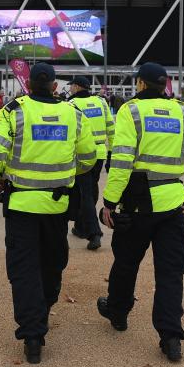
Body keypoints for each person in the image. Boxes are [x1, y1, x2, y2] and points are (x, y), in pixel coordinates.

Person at [96, 62, 184, 363]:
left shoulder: (130, 110)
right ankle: (171, 336)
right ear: (165, 85)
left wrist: (109, 202)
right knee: (171, 273)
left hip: (137, 204)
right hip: (172, 203)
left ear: (140, 84)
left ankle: (118, 312)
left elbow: (121, 160)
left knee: (126, 262)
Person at [0, 62, 97, 364]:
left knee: (23, 269)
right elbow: (89, 157)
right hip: (57, 205)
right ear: (55, 86)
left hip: (20, 206)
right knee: (52, 262)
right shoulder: (73, 113)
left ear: (28, 85)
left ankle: (32, 333)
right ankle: (43, 308)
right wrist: (69, 172)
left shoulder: (13, 111)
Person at [68, 75, 115, 251]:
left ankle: (94, 233)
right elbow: (111, 129)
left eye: (72, 85)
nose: (71, 88)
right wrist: (111, 154)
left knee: (85, 193)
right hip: (100, 154)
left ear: (78, 87)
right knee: (90, 189)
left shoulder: (71, 105)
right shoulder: (101, 103)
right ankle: (80, 227)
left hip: (82, 155)